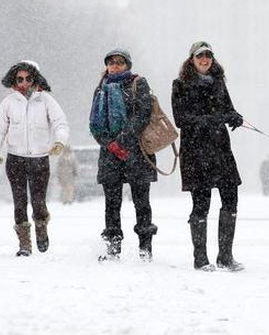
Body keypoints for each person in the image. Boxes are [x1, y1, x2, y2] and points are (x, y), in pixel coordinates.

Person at [171, 41, 244, 272]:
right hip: (195, 151)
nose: (205, 60)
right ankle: (200, 259)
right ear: (191, 60)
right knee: (201, 204)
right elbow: (181, 120)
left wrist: (234, 117)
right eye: (200, 56)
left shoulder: (219, 82)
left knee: (231, 198)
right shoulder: (180, 84)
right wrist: (212, 119)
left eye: (208, 56)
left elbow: (228, 108)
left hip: (220, 149)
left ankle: (225, 256)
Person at [0, 60, 69, 256]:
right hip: (15, 159)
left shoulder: (46, 101)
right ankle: (24, 243)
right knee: (19, 201)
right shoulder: (8, 103)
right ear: (14, 80)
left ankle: (41, 227)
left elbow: (60, 123)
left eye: (28, 78)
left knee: (38, 200)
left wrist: (59, 142)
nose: (24, 83)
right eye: (20, 79)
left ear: (35, 78)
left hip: (40, 159)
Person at [89, 48, 158, 261]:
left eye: (120, 62)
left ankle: (145, 248)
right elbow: (94, 123)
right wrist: (110, 144)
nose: (115, 65)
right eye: (111, 62)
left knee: (141, 202)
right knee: (112, 203)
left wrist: (123, 138)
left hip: (136, 152)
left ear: (128, 64)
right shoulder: (101, 88)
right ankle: (113, 248)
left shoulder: (138, 83)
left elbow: (144, 114)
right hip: (110, 156)